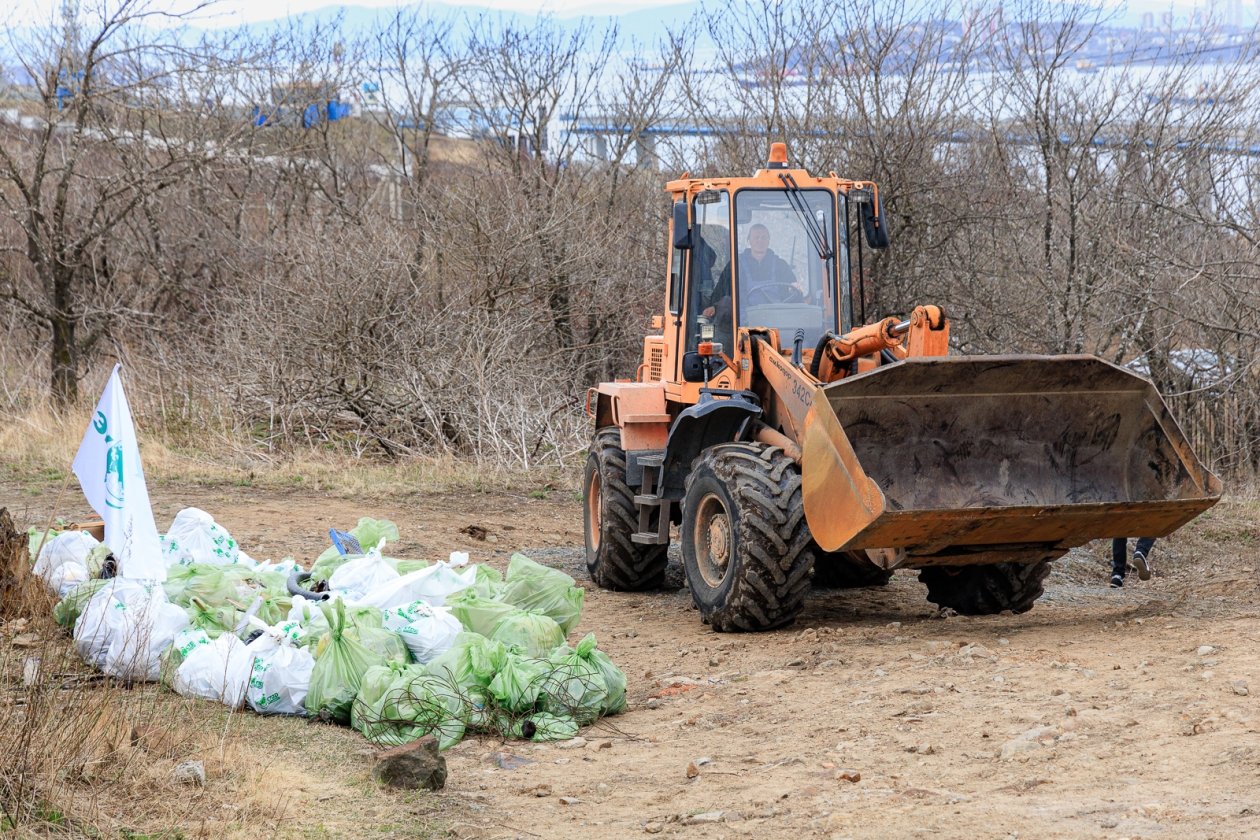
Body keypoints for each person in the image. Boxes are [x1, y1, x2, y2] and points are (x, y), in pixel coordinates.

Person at [702, 223, 799, 319]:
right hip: (742, 323)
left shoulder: (781, 265)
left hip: (776, 321)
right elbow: (721, 291)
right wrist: (715, 307)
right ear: (749, 240)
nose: (760, 240)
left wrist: (801, 295)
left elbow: (794, 290)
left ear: (769, 240)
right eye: (756, 237)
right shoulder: (736, 265)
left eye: (763, 237)